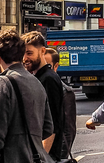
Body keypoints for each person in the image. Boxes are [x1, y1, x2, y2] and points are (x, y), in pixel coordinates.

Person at [0, 29, 55, 163]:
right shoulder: (36, 82)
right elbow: (48, 128)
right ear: (21, 55)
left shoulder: (3, 82)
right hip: (34, 157)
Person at [23, 32, 65, 162]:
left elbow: (52, 123)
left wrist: (42, 157)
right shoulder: (39, 77)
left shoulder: (48, 79)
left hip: (46, 154)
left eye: (29, 53)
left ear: (42, 51)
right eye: (23, 54)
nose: (25, 58)